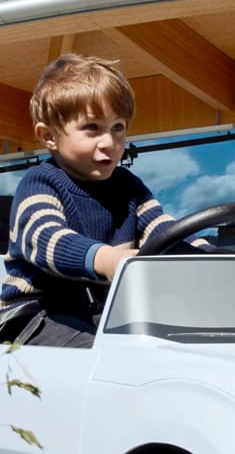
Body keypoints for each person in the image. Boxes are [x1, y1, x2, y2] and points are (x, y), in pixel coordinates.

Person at [0, 53, 208, 348]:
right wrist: (107, 259)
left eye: (117, 127)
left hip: (101, 314)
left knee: (181, 341)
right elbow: (47, 239)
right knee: (104, 355)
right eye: (92, 128)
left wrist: (212, 256)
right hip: (35, 317)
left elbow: (164, 232)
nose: (109, 142)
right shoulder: (39, 183)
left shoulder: (129, 188)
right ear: (49, 136)